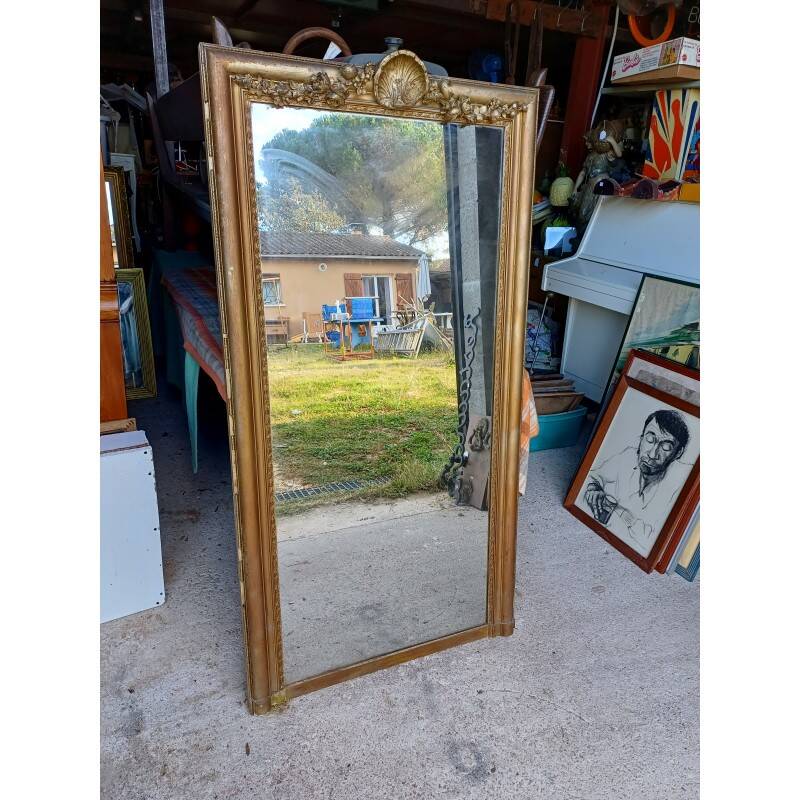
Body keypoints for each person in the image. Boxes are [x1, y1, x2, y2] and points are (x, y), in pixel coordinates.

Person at [582, 410, 692, 555]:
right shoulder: (628, 455)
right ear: (641, 437)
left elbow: (652, 538)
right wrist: (592, 487)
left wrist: (618, 511)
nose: (652, 454)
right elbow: (593, 476)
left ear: (678, 453)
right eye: (650, 439)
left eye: (666, 447)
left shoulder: (683, 481)